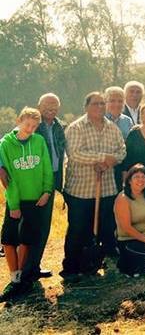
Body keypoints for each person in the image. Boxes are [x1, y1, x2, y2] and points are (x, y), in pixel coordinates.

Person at [62, 92, 128, 277]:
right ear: (86, 106)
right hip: (80, 191)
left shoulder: (112, 128)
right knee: (78, 230)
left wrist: (110, 161)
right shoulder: (76, 128)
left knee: (105, 228)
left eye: (102, 104)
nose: (99, 107)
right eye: (95, 104)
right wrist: (100, 158)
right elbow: (75, 153)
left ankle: (98, 262)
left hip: (106, 189)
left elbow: (122, 150)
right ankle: (71, 268)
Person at [0, 108, 53, 300]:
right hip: (17, 199)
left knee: (26, 240)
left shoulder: (38, 141)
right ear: (18, 121)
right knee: (8, 240)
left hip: (35, 199)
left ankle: (20, 280)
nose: (30, 129)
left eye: (34, 126)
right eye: (27, 124)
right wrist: (13, 205)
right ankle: (13, 278)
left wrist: (47, 191)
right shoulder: (6, 144)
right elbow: (8, 179)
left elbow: (47, 166)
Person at [32, 93, 66, 280]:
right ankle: (25, 267)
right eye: (47, 105)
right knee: (32, 224)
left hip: (52, 178)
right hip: (35, 179)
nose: (51, 109)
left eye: (54, 106)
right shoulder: (32, 125)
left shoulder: (59, 127)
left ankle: (35, 264)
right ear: (39, 106)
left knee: (44, 224)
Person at [113, 164, 145, 277]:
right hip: (128, 239)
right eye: (136, 177)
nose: (140, 180)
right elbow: (126, 228)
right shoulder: (122, 199)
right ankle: (126, 264)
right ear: (129, 181)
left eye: (143, 177)